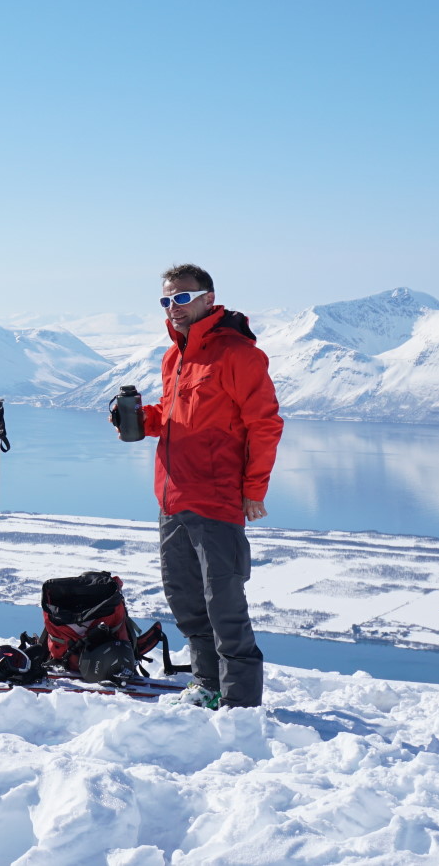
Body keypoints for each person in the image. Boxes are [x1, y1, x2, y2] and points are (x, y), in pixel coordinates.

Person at [115, 263, 283, 709]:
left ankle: (240, 703)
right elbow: (175, 417)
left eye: (183, 298)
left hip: (216, 498)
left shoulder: (238, 354)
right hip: (173, 496)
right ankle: (207, 684)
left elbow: (265, 424)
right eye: (167, 300)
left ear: (209, 299)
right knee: (185, 599)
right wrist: (140, 419)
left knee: (224, 604)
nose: (173, 307)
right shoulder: (174, 356)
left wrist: (254, 490)